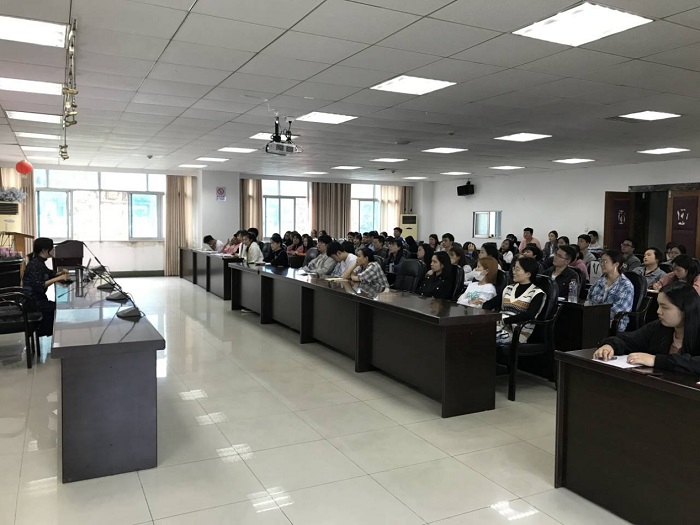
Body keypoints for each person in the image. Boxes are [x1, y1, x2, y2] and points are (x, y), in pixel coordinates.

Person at [594, 281, 700, 376]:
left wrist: (656, 360)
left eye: (665, 307)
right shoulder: (659, 327)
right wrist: (610, 345)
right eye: (658, 306)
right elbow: (629, 339)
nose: (658, 311)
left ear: (685, 310)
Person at [490, 257, 546, 345]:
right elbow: (490, 303)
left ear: (528, 274)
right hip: (500, 325)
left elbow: (530, 315)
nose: (513, 272)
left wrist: (505, 320)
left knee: (485, 338)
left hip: (517, 331)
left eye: (517, 269)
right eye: (514, 269)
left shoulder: (537, 293)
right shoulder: (509, 288)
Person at [22, 237, 70, 337]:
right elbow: (39, 286)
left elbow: (49, 273)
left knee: (57, 307)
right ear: (44, 250)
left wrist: (60, 273)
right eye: (52, 249)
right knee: (58, 308)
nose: (53, 251)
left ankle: (49, 333)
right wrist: (59, 278)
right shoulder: (35, 264)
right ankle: (45, 333)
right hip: (33, 302)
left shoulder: (38, 262)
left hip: (37, 299)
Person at [587, 249, 635, 331]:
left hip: (614, 323)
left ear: (616, 264)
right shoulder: (599, 281)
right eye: (601, 261)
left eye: (605, 261)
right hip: (594, 319)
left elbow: (618, 310)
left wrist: (595, 312)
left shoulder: (625, 285)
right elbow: (589, 299)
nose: (601, 264)